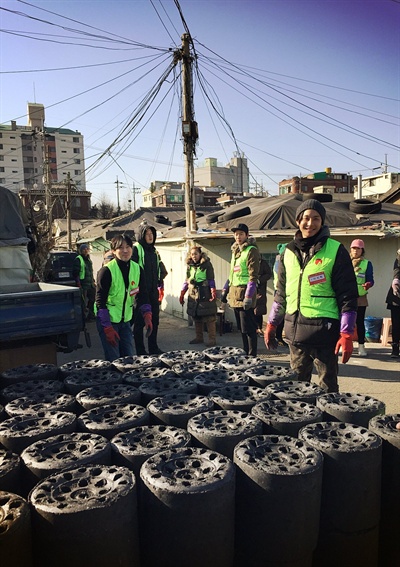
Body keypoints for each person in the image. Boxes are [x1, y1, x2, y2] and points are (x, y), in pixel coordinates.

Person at [264, 199, 358, 393]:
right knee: (298, 389)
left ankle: (328, 422)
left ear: (322, 222)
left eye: (316, 218)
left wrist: (346, 334)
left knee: (327, 387)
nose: (310, 223)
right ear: (298, 221)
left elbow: (348, 295)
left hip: (325, 332)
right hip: (295, 333)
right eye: (306, 218)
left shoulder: (335, 250)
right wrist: (271, 324)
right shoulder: (288, 252)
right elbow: (281, 292)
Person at [95, 234, 152, 362]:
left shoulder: (137, 269)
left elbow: (143, 296)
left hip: (125, 321)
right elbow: (100, 301)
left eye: (128, 247)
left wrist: (147, 315)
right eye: (121, 248)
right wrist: (107, 327)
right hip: (108, 321)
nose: (125, 251)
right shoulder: (106, 271)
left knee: (129, 358)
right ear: (114, 251)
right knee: (114, 360)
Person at [221, 223, 260, 356]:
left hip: (244, 294)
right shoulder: (235, 251)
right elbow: (232, 274)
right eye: (236, 234)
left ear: (247, 235)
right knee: (242, 329)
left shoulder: (251, 250)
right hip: (234, 294)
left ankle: (252, 355)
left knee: (249, 328)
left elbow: (253, 276)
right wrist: (225, 292)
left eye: (241, 234)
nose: (238, 236)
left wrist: (249, 296)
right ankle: (245, 353)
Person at [131, 224, 167, 355]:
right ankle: (141, 351)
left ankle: (153, 348)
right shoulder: (136, 249)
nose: (150, 236)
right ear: (141, 235)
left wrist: (160, 283)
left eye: (152, 233)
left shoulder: (154, 251)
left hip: (153, 292)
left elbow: (159, 270)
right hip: (140, 293)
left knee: (155, 321)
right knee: (139, 323)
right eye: (147, 234)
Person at [179, 246, 217, 346]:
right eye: (192, 254)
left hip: (205, 292)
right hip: (193, 292)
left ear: (200, 254)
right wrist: (182, 292)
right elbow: (187, 280)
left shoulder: (207, 265)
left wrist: (213, 290)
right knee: (196, 316)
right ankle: (199, 337)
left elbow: (211, 279)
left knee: (209, 317)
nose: (194, 256)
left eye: (196, 254)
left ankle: (212, 339)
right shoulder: (189, 266)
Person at [350, 239, 374, 357]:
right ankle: (344, 344)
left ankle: (361, 346)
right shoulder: (344, 261)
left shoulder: (366, 263)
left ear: (362, 250)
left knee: (359, 322)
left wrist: (369, 284)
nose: (355, 251)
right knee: (344, 322)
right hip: (346, 297)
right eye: (354, 248)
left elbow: (370, 279)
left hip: (360, 297)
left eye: (358, 248)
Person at [73, 243, 96, 321]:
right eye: (84, 249)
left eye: (87, 249)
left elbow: (90, 271)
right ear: (81, 251)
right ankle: (82, 317)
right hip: (83, 284)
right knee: (83, 302)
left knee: (92, 299)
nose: (86, 251)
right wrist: (78, 283)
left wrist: (93, 280)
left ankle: (91, 315)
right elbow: (75, 272)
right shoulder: (78, 259)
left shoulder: (88, 259)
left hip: (90, 284)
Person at [385, 248, 400, 358]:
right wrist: (396, 279)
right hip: (397, 295)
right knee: (396, 323)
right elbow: (397, 269)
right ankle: (395, 348)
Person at [254, 254, 272, 336]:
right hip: (250, 287)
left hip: (260, 288)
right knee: (250, 309)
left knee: (259, 309)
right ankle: (253, 328)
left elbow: (269, 274)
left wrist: (260, 280)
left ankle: (259, 328)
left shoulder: (263, 263)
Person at [273, 243, 287, 346]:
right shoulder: (280, 262)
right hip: (281, 291)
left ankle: (278, 337)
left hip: (281, 290)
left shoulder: (279, 260)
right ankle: (277, 337)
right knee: (279, 316)